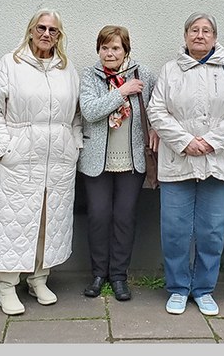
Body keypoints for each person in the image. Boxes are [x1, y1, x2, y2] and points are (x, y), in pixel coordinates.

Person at [147, 12, 224, 316]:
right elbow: (156, 111)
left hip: (217, 162)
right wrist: (185, 141)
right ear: (185, 36)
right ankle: (178, 288)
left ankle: (204, 289)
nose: (200, 35)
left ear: (215, 37)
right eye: (194, 30)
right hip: (177, 162)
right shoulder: (170, 70)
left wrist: (210, 142)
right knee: (174, 231)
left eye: (206, 31)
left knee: (212, 231)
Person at [0, 8, 82, 316]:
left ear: (59, 36)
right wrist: (3, 148)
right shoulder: (10, 64)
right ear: (30, 30)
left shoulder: (67, 69)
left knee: (48, 221)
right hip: (18, 159)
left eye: (53, 30)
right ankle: (6, 286)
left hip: (58, 161)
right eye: (41, 28)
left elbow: (76, 115)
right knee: (14, 220)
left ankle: (39, 278)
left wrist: (73, 145)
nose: (46, 34)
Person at [78, 25, 158, 301]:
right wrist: (122, 91)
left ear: (126, 50)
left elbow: (156, 109)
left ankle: (119, 276)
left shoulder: (143, 74)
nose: (109, 53)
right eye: (104, 48)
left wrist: (156, 130)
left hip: (132, 161)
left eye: (115, 48)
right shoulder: (90, 75)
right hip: (96, 162)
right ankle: (99, 274)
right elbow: (90, 111)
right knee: (99, 216)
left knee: (125, 217)